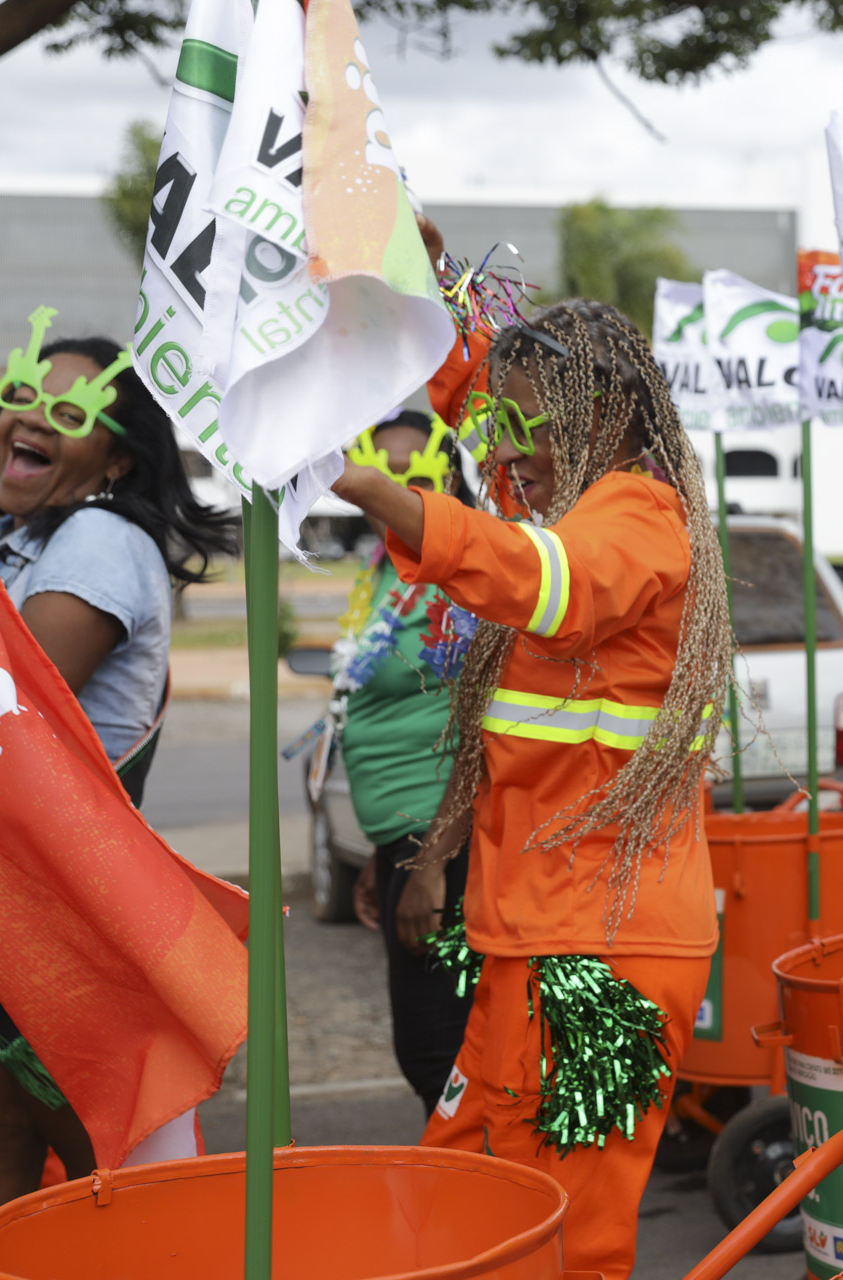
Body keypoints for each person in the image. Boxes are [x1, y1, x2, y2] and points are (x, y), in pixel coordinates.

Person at [331, 297, 731, 1280]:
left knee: (562, 1239)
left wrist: (368, 490)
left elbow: (549, 580)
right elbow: (481, 396)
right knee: (464, 1195)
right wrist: (420, 281)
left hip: (604, 957)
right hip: (532, 938)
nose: (505, 456)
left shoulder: (637, 513)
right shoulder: (577, 489)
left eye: (528, 426)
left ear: (604, 410)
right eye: (501, 428)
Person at [0, 307, 238, 1278]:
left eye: (67, 404)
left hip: (70, 940)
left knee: (129, 1218)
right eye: (25, 393)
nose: (31, 412)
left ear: (118, 461)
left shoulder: (99, 536)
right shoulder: (7, 542)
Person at [334, 410, 475, 1114]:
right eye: (373, 471)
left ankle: (482, 1211)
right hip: (404, 839)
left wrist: (428, 864)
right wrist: (379, 851)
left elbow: (480, 727)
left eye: (409, 474)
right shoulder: (384, 569)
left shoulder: (458, 576)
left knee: (439, 1057)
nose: (386, 488)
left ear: (447, 479)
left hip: (443, 844)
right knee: (429, 1054)